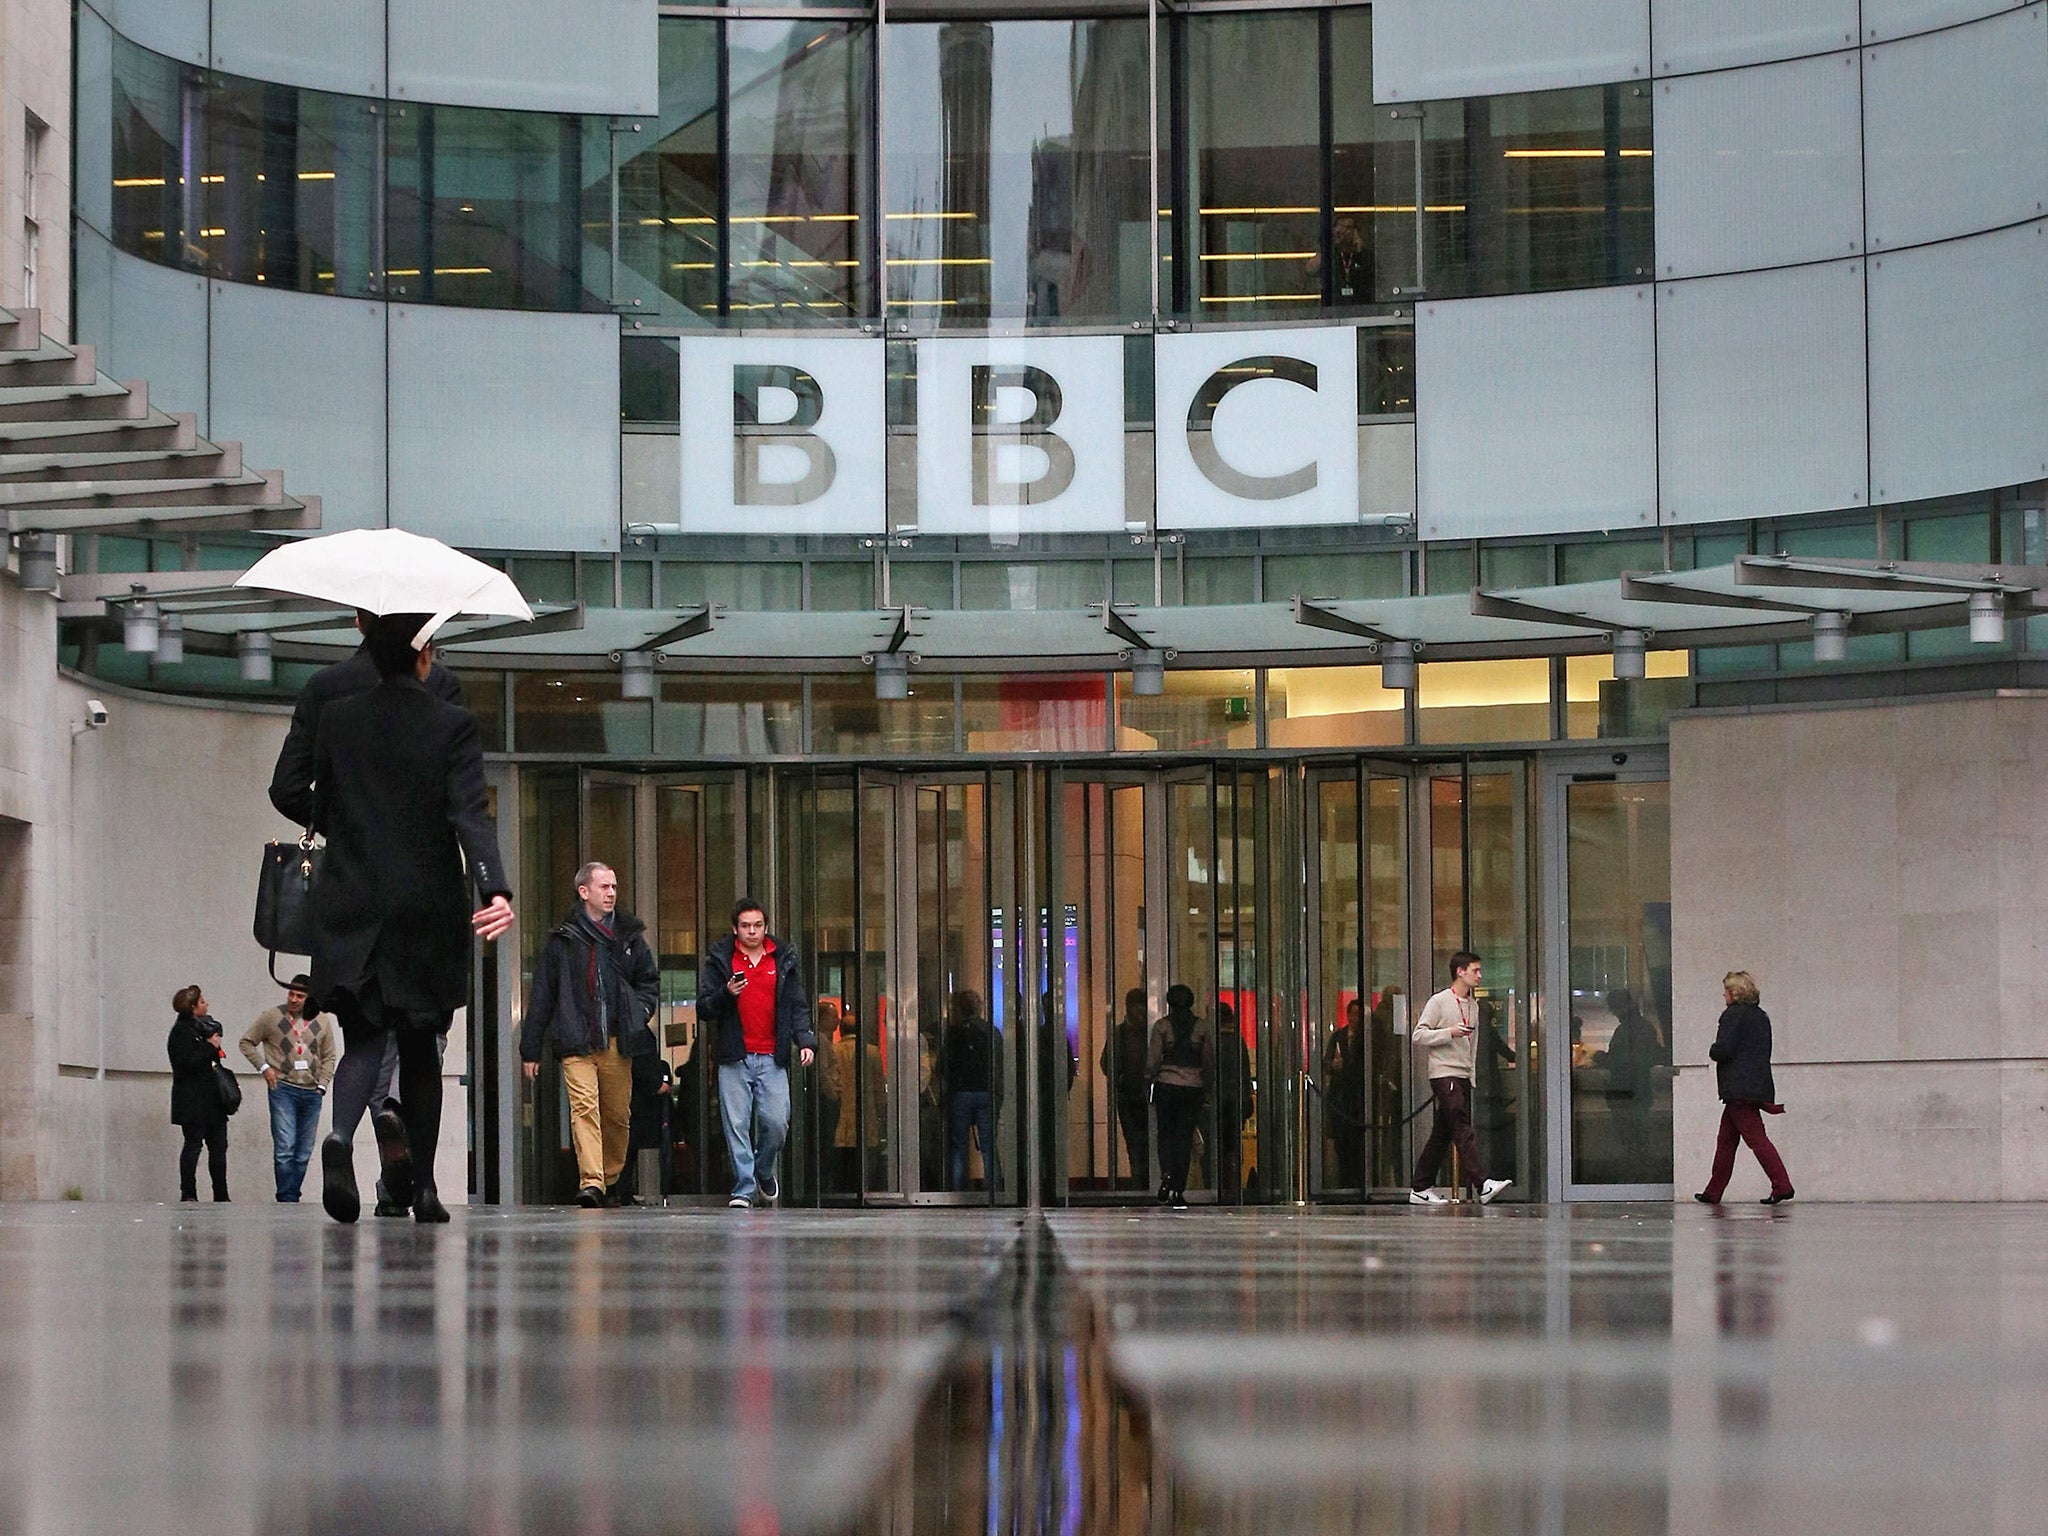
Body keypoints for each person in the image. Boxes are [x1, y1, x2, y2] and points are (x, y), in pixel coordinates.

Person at [303, 612, 516, 1225]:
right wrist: (492, 888)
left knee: (365, 1037)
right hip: (424, 901)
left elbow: (319, 799)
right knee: (421, 1044)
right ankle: (423, 1187)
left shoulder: (338, 718)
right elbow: (470, 815)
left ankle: (341, 1135)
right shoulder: (450, 723)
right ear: (425, 658)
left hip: (354, 898)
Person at [519, 861, 660, 1208]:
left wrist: (640, 1013)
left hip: (617, 1039)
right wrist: (531, 1049)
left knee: (617, 1115)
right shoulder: (562, 942)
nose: (612, 893)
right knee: (584, 1109)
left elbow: (649, 982)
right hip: (575, 1039)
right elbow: (543, 996)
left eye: (614, 887)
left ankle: (610, 1177)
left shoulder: (629, 937)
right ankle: (592, 1182)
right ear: (584, 892)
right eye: (604, 887)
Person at [268, 609, 465, 828]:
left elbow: (286, 789)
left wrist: (346, 830)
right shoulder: (441, 684)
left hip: (351, 858)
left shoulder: (325, 686)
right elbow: (458, 788)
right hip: (424, 851)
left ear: (360, 625)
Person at [697, 898, 816, 1209]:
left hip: (771, 1055)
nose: (752, 931)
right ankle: (744, 1187)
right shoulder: (721, 959)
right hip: (734, 1055)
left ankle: (763, 1169)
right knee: (735, 1124)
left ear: (766, 926)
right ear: (735, 929)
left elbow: (797, 1006)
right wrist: (726, 993)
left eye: (758, 925)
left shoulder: (782, 959)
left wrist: (805, 1040)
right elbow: (704, 1007)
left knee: (777, 1122)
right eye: (746, 926)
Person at [1409, 952, 1512, 1205]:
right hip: (1445, 1073)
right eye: (1475, 970)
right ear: (1460, 972)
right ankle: (1482, 1182)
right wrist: (1449, 1033)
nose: (1479, 975)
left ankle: (1420, 1186)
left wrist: (1471, 1075)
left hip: (1462, 1074)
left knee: (1442, 1133)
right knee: (1462, 1126)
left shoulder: (1473, 1007)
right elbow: (1418, 1035)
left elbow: (1472, 1046)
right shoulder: (1439, 1001)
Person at [1695, 971, 1794, 1206]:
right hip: (1754, 1085)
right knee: (1726, 1141)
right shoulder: (1761, 1017)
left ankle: (1782, 1185)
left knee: (1757, 1140)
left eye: (1726, 990)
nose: (1724, 994)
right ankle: (1713, 1191)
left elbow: (1724, 1050)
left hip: (1737, 1088)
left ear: (1734, 993)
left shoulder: (1732, 1015)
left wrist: (1713, 1049)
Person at [237, 972, 337, 1203]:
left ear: (309, 998)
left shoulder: (321, 1020)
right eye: (291, 994)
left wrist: (322, 1085)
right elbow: (246, 1042)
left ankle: (292, 1194)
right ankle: (286, 1198)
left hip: (312, 1091)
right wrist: (264, 1068)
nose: (293, 999)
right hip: (283, 1088)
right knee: (285, 1147)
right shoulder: (272, 1017)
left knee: (303, 1152)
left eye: (300, 996)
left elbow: (330, 1056)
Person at [1147, 984, 1212, 1210]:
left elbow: (1154, 1060)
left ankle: (1166, 1173)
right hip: (1192, 1087)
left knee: (1165, 1134)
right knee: (1184, 1137)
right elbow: (1208, 1061)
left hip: (1167, 1086)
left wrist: (1148, 1078)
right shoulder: (1202, 1027)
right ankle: (1178, 1188)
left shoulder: (1162, 1026)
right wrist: (1207, 1086)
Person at [168, 984, 231, 1203]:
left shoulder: (203, 1028)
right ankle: (188, 1192)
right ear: (193, 1008)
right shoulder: (181, 1032)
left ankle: (221, 1193)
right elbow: (186, 1062)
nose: (207, 1004)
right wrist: (210, 1047)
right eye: (202, 1002)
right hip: (192, 1102)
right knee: (193, 1145)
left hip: (213, 1101)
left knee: (219, 1148)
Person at [939, 990, 1003, 1193]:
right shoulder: (990, 1031)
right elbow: (999, 1063)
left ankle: (958, 1191)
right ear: (979, 1007)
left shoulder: (953, 1032)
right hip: (985, 1091)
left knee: (959, 1147)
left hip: (960, 1093)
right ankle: (994, 1188)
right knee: (988, 1146)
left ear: (959, 1008)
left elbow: (942, 1065)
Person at [823, 1002, 886, 1194]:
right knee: (864, 1159)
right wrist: (882, 1112)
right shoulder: (872, 1052)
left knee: (842, 1160)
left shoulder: (834, 1050)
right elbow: (878, 1086)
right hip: (867, 1113)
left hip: (840, 1113)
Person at [1099, 988, 1151, 1190]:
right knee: (1137, 1144)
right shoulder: (1130, 1033)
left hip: (1135, 1095)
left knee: (1139, 1144)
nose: (1141, 1012)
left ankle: (1142, 1182)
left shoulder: (1122, 1033)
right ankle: (1141, 1183)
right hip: (1132, 1096)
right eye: (1139, 1007)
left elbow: (1106, 1064)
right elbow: (1106, 1063)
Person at [1323, 998, 1369, 1188]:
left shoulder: (1367, 1038)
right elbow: (1326, 1062)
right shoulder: (1338, 1037)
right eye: (1352, 1014)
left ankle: (1359, 1182)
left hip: (1359, 1099)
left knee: (1359, 1146)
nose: (1355, 1019)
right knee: (1342, 1146)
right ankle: (1344, 1183)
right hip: (1340, 1100)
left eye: (1359, 1015)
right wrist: (1333, 1065)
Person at [1211, 1002, 1254, 1202]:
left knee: (1215, 1147)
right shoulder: (1238, 1042)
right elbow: (1245, 1074)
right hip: (1234, 1101)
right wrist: (1246, 1100)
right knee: (1231, 1148)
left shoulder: (1211, 1042)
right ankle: (1232, 1187)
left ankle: (1216, 1186)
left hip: (1215, 1102)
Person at [616, 1052, 672, 1205]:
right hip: (639, 1110)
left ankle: (624, 1190)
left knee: (629, 1151)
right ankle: (625, 1191)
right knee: (630, 1150)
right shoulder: (642, 1046)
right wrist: (657, 1085)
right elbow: (640, 1069)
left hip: (638, 1109)